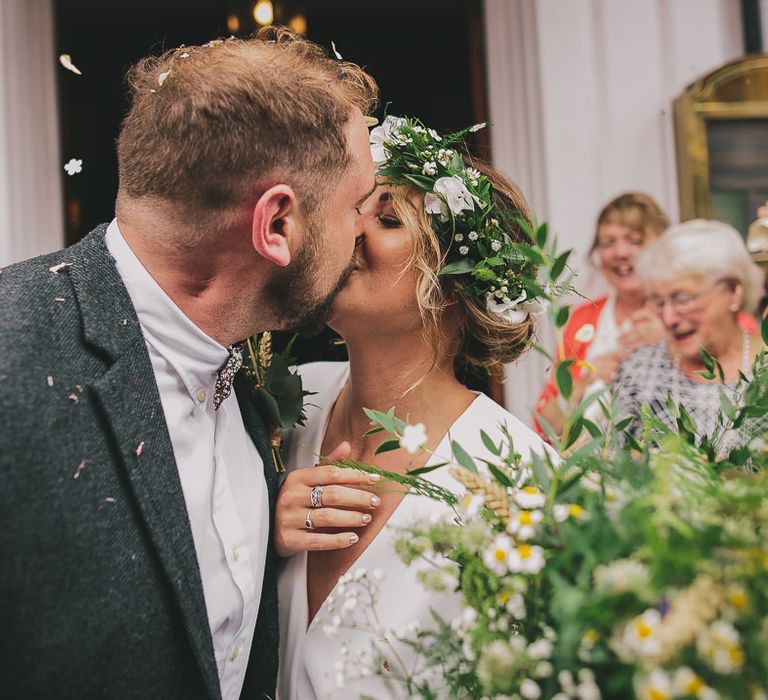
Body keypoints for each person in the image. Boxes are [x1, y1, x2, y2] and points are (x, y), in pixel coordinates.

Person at [0, 29, 378, 699]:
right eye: (355, 205)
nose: (362, 232)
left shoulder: (247, 384)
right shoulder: (13, 354)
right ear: (277, 226)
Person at [274, 117, 555, 699]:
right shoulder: (285, 407)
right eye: (354, 208)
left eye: (387, 219)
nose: (349, 230)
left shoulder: (519, 479)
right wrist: (262, 533)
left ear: (453, 285)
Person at [615, 219, 767, 453]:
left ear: (734, 291)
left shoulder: (763, 373)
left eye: (683, 299)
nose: (668, 318)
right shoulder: (640, 372)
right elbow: (613, 467)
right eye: (658, 302)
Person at [534, 193, 671, 437]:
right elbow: (545, 423)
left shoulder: (686, 313)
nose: (620, 252)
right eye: (608, 243)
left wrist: (669, 341)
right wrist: (585, 383)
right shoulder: (579, 320)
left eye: (635, 240)